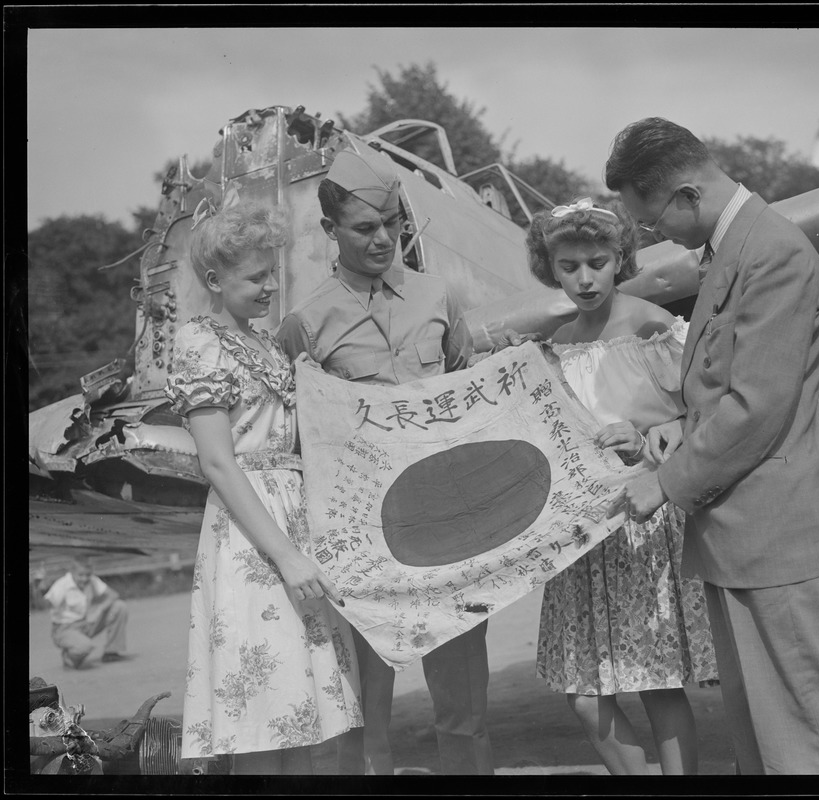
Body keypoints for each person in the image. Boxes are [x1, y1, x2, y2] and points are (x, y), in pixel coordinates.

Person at [604, 117, 819, 774]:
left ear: (685, 193)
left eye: (651, 223)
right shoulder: (738, 251)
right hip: (742, 538)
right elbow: (715, 391)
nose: (655, 238)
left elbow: (754, 408)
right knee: (769, 738)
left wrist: (664, 484)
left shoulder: (771, 254)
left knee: (811, 738)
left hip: (774, 541)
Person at [275, 145, 493, 776]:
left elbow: (469, 390)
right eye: (364, 227)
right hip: (360, 540)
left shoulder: (439, 296)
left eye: (392, 223)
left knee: (465, 710)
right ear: (329, 231)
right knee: (365, 717)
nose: (382, 239)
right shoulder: (304, 325)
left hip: (445, 528)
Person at [164, 201, 362, 775]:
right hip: (251, 535)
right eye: (256, 276)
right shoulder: (198, 342)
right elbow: (219, 464)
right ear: (213, 280)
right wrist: (287, 555)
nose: (271, 285)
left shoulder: (265, 343)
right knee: (262, 713)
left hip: (291, 518)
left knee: (298, 712)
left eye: (272, 271)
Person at [526, 197, 717, 775]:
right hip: (581, 534)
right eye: (569, 266)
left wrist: (658, 432)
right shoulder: (554, 345)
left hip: (644, 522)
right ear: (550, 268)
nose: (584, 278)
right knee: (584, 693)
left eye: (597, 262)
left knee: (657, 683)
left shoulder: (652, 327)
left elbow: (709, 413)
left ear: (620, 259)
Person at [45, 557, 129, 669]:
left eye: (88, 575)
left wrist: (99, 609)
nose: (84, 579)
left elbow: (113, 594)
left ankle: (111, 652)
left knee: (119, 606)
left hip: (86, 623)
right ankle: (69, 658)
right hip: (64, 629)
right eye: (80, 575)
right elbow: (48, 603)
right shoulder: (62, 585)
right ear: (72, 572)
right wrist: (42, 588)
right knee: (84, 647)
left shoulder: (92, 580)